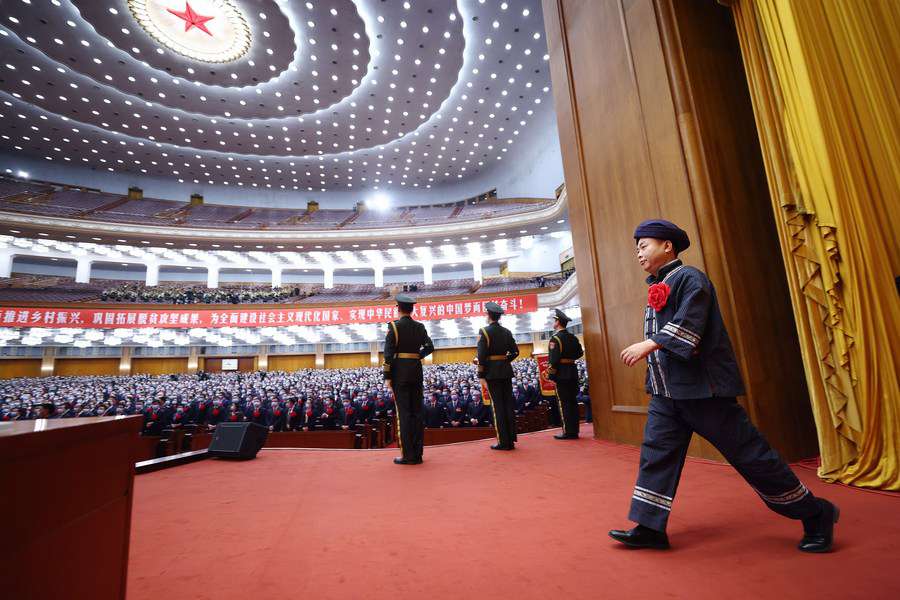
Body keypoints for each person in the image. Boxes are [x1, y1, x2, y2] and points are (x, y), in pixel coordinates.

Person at [609, 219, 838, 552]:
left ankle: (816, 513)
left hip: (703, 391)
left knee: (750, 455)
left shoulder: (690, 278)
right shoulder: (660, 284)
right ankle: (650, 527)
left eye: (643, 245)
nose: (638, 253)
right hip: (666, 393)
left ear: (667, 246)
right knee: (656, 456)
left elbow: (691, 326)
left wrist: (649, 344)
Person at [382, 294, 434, 465]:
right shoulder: (420, 327)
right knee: (417, 413)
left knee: (404, 414)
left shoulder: (394, 327)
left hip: (400, 375)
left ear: (398, 308)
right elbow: (430, 347)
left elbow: (388, 355)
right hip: (416, 372)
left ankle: (408, 455)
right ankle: (418, 454)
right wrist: (416, 357)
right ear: (411, 309)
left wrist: (387, 377)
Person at [476, 301, 519, 450]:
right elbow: (515, 352)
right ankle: (511, 439)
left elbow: (481, 356)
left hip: (492, 373)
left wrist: (481, 374)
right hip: (506, 371)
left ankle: (503, 441)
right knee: (508, 405)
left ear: (488, 315)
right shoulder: (507, 331)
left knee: (498, 407)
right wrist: (503, 361)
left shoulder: (484, 331)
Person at [547, 308, 584, 439]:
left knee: (564, 403)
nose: (554, 322)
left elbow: (553, 360)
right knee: (573, 402)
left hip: (561, 374)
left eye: (555, 320)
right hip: (572, 371)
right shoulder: (572, 337)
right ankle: (575, 430)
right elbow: (580, 353)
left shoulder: (555, 339)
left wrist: (551, 376)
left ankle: (568, 431)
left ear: (558, 322)